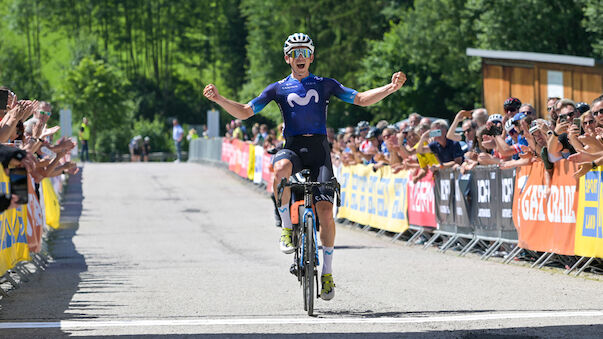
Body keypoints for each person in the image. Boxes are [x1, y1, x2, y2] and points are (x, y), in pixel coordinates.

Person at [203, 32, 406, 301]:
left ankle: (328, 272)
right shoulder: (277, 88)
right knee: (280, 168)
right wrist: (219, 99)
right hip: (293, 146)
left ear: (311, 57)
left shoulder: (325, 83)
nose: (300, 57)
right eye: (294, 53)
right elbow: (245, 111)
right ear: (287, 58)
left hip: (320, 149)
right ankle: (287, 228)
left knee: (326, 213)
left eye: (304, 52)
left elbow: (360, 99)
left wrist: (389, 89)